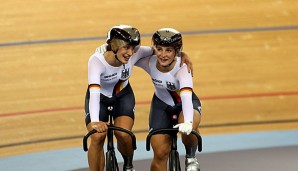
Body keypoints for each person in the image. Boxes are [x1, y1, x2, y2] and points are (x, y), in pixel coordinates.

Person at [84, 25, 192, 171]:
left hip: (123, 96)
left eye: (133, 48)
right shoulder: (96, 61)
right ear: (114, 46)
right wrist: (96, 121)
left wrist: (183, 55)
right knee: (97, 137)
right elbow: (95, 93)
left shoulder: (135, 53)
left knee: (123, 134)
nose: (130, 53)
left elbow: (161, 51)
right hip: (99, 99)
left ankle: (128, 165)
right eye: (126, 48)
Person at [135, 28, 202, 171]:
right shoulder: (150, 62)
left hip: (185, 105)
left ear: (176, 51)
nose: (163, 55)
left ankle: (191, 157)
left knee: (187, 129)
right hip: (161, 105)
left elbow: (185, 97)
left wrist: (188, 122)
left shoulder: (183, 68)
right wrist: (109, 49)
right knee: (159, 154)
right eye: (159, 49)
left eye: (168, 50)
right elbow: (130, 54)